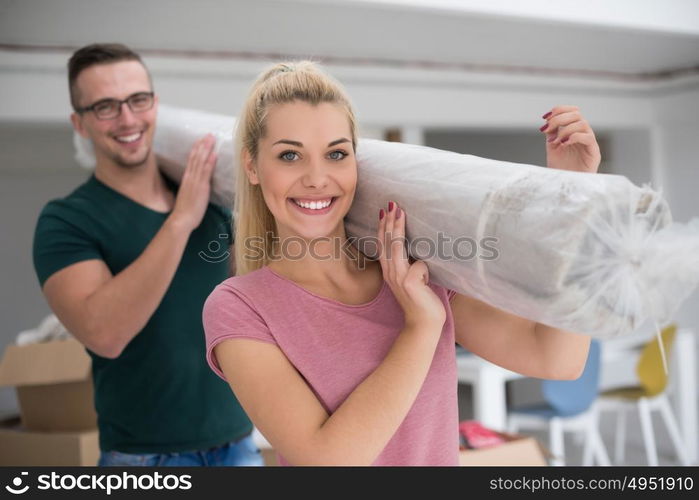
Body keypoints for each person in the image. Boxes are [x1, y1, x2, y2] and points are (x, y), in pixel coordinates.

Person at [202, 61, 598, 466]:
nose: (317, 178)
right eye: (290, 155)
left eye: (336, 153)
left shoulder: (414, 273)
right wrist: (421, 328)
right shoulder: (239, 307)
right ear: (252, 165)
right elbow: (328, 461)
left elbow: (558, 359)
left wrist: (574, 199)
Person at [32, 43, 261, 466]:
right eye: (105, 106)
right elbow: (104, 334)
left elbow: (253, 294)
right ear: (79, 123)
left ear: (155, 103)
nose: (128, 119)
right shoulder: (67, 220)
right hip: (144, 458)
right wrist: (179, 223)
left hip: (239, 444)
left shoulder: (210, 200)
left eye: (138, 100)